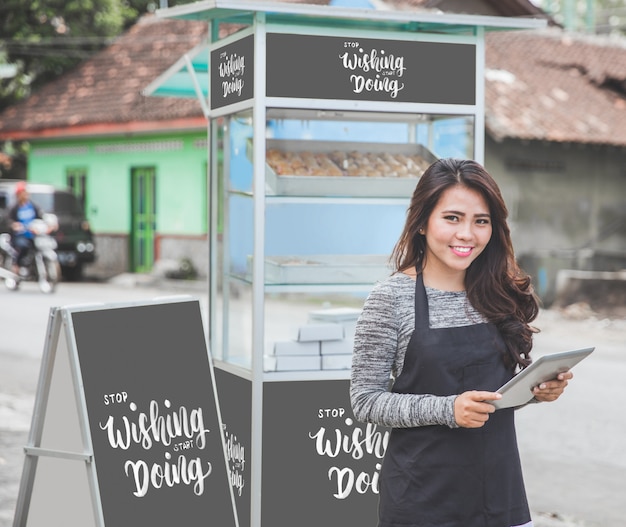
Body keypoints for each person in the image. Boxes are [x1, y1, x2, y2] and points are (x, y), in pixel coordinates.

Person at [350, 158, 573, 527]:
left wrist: (536, 390)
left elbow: (495, 395)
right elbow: (366, 400)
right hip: (422, 499)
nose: (467, 234)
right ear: (422, 222)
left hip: (500, 494)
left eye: (480, 221)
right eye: (452, 218)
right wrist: (448, 409)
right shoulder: (391, 298)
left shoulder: (498, 293)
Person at [9, 181, 44, 274]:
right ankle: (16, 264)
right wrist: (15, 225)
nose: (25, 195)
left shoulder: (32, 205)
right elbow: (8, 220)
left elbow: (41, 216)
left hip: (32, 234)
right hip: (19, 235)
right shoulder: (15, 207)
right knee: (23, 246)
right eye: (22, 193)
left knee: (39, 246)